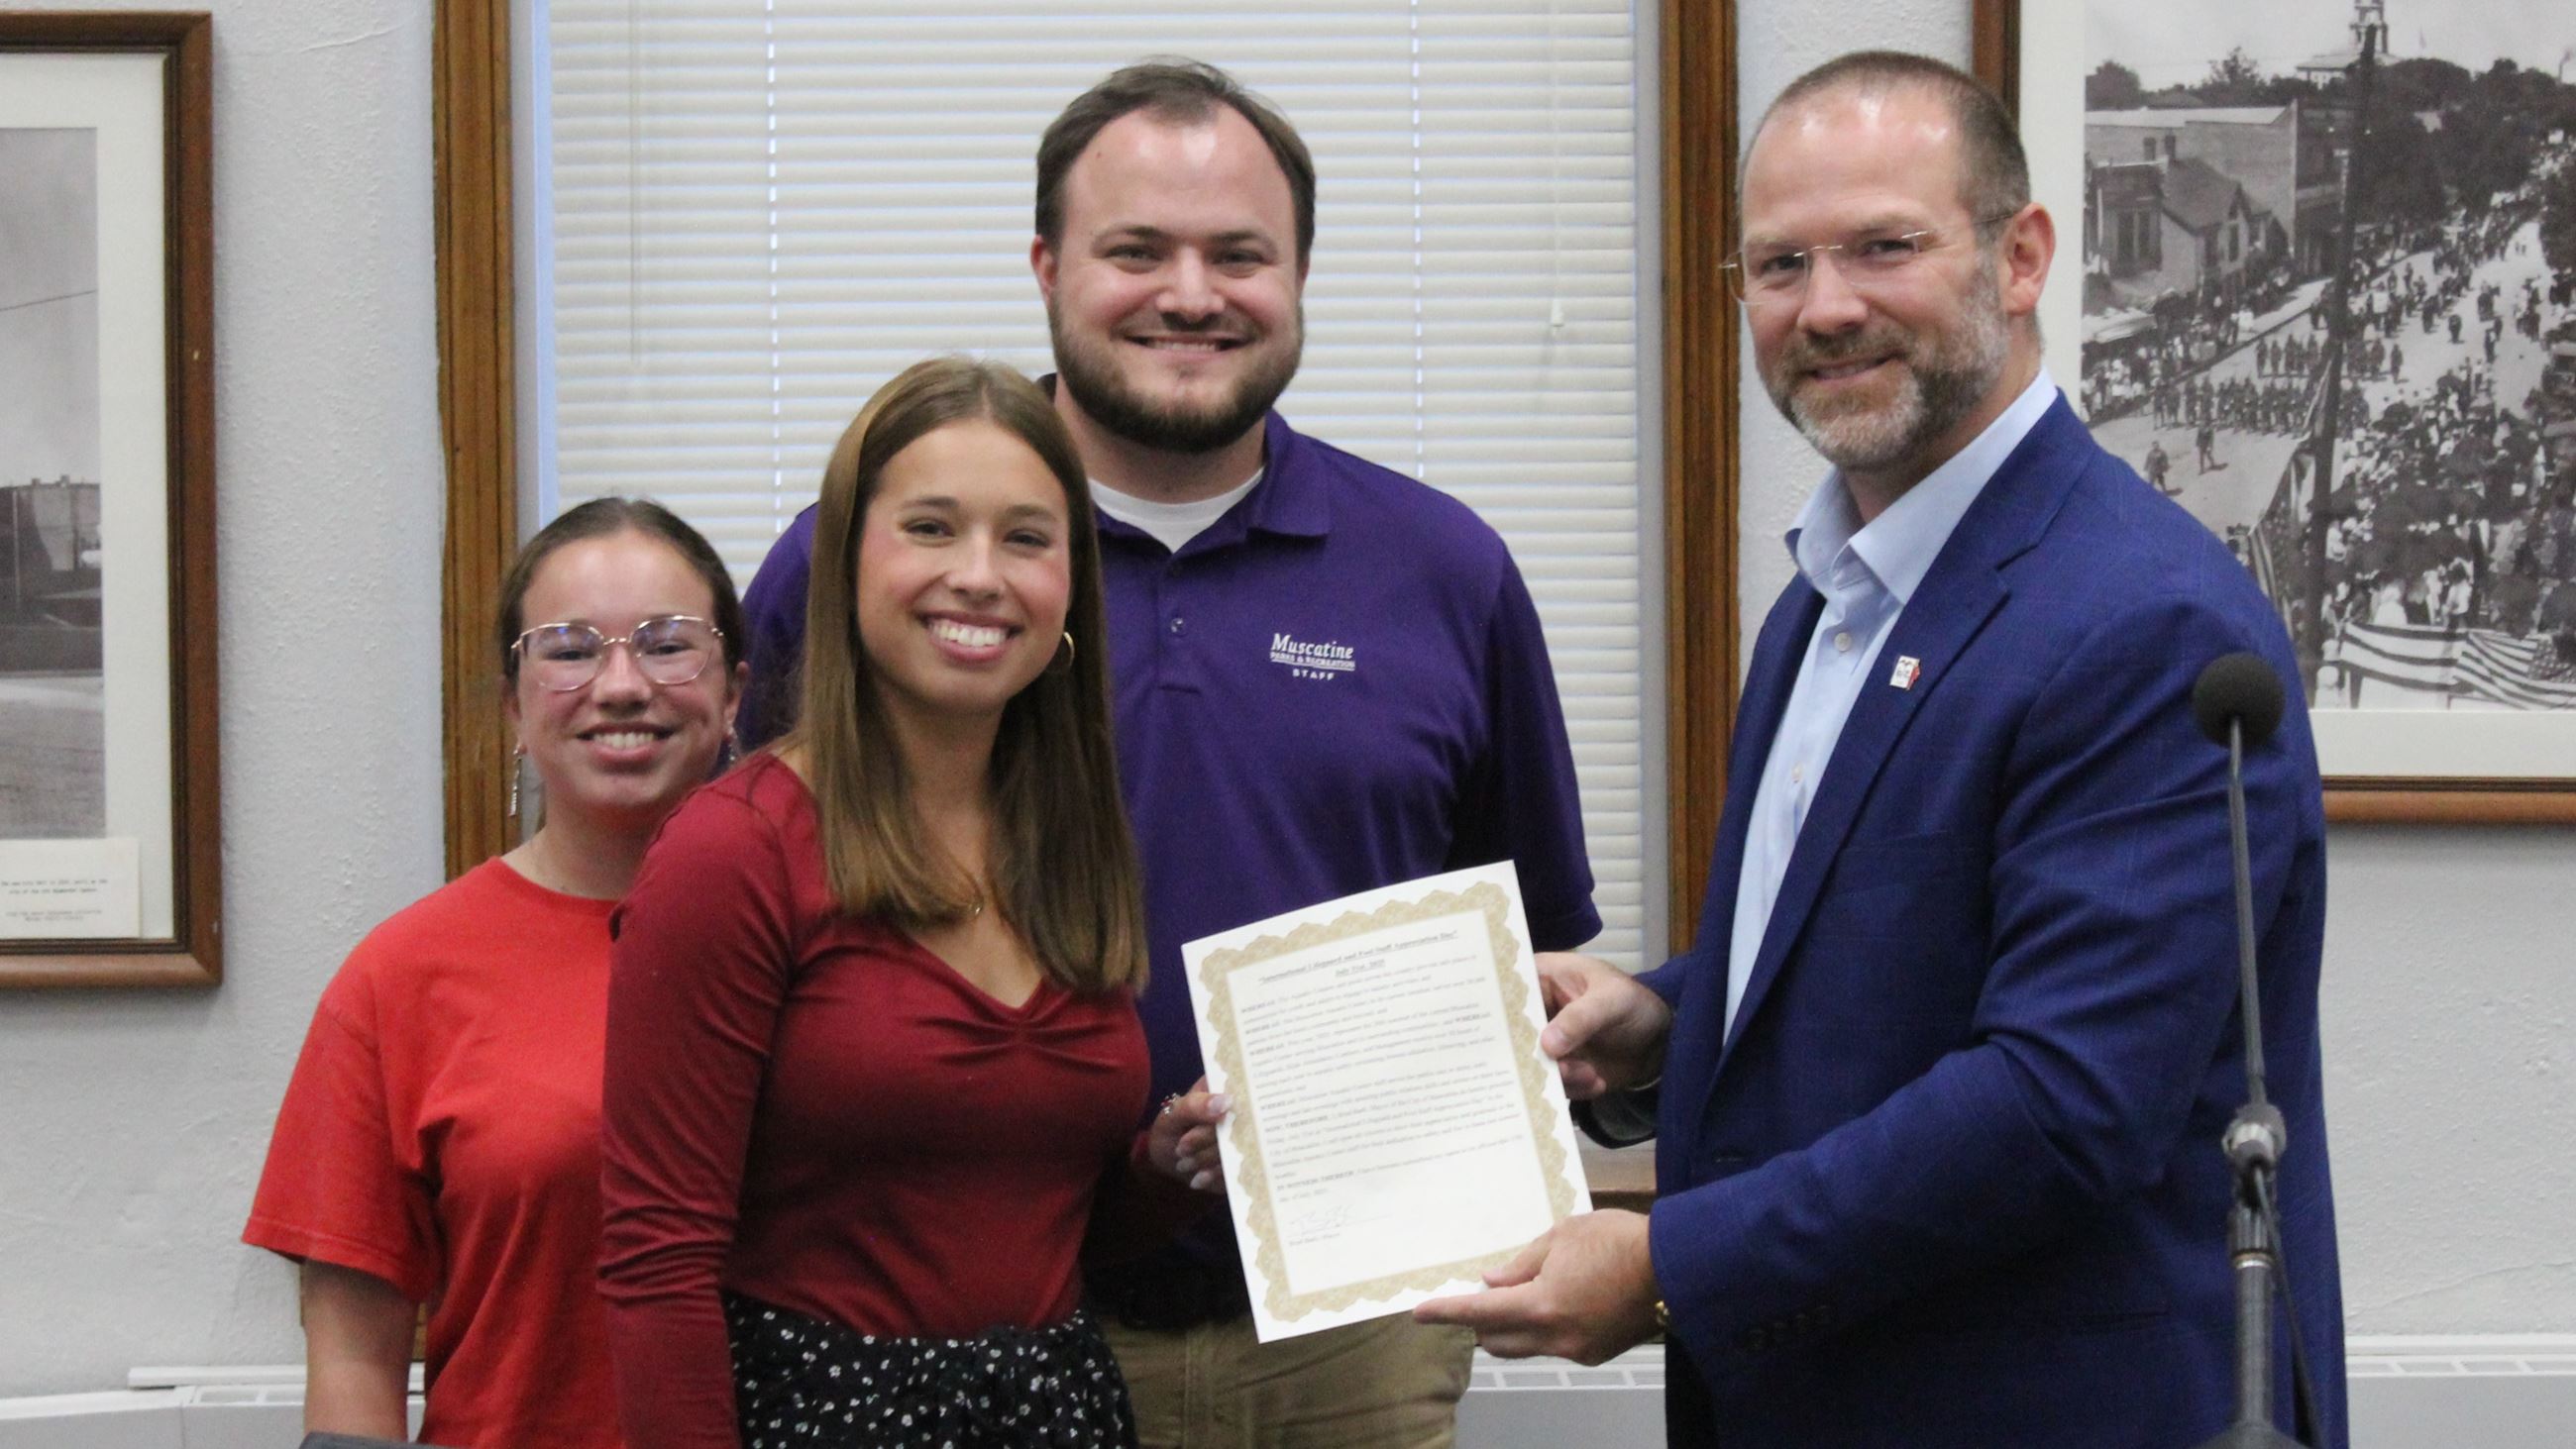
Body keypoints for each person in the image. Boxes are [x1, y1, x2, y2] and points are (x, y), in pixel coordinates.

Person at [1416, 52, 2345, 1448]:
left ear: (2020, 255)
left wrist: (1669, 1264)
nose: (1826, 306)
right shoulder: (1827, 597)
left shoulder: (2142, 623)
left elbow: (2058, 1101)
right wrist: (1663, 1021)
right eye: (1778, 263)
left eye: (1884, 247)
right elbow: (1893, 955)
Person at [732, 61, 1598, 1448]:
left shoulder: (1444, 573)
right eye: (1135, 249)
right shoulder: (875, 564)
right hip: (971, 1342)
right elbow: (728, 934)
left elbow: (1525, 946)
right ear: (1045, 266)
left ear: (1301, 271)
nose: (1188, 293)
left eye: (1238, 254)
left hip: (1352, 1346)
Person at [597, 358, 1224, 1449]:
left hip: (1061, 1412)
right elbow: (656, 1263)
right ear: (842, 563)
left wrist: (1159, 1171)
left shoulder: (1071, 839)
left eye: (1026, 538)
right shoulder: (736, 848)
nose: (979, 574)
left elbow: (1031, 1220)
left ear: (1070, 583)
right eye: (931, 528)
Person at [244, 497, 751, 1448]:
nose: (621, 684)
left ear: (733, 695)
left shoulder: (835, 952)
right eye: (568, 649)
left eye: (669, 644)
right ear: (515, 707)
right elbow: (354, 1369)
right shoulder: (403, 978)